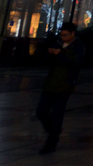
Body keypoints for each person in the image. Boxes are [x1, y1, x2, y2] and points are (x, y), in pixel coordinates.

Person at [36, 21, 85, 154]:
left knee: (57, 114)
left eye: (66, 35)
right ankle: (54, 130)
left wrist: (60, 55)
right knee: (41, 112)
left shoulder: (78, 47)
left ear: (73, 34)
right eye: (62, 35)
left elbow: (76, 64)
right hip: (51, 83)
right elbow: (45, 61)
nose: (63, 37)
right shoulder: (57, 43)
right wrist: (50, 54)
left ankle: (51, 142)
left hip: (66, 85)